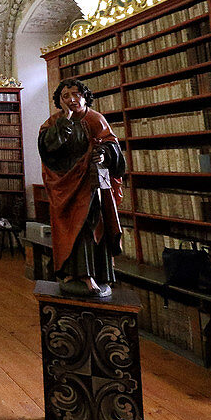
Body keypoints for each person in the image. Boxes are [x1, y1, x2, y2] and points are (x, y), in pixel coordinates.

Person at [38, 78, 125, 298]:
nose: (72, 99)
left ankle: (92, 275)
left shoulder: (96, 119)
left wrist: (104, 153)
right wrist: (65, 120)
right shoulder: (54, 121)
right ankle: (70, 272)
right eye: (65, 96)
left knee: (89, 225)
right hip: (65, 184)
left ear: (85, 96)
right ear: (60, 101)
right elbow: (48, 148)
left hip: (91, 184)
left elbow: (113, 146)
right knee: (68, 228)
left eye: (76, 94)